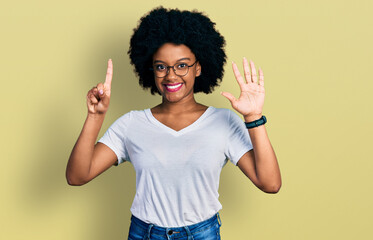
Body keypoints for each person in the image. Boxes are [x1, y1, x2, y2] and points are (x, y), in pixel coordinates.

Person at [66, 7, 281, 240]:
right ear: (151, 70)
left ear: (198, 67)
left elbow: (270, 183)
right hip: (144, 234)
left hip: (202, 234)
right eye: (161, 66)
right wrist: (95, 116)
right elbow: (77, 176)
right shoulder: (131, 124)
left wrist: (253, 117)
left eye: (182, 65)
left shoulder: (224, 122)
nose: (170, 76)